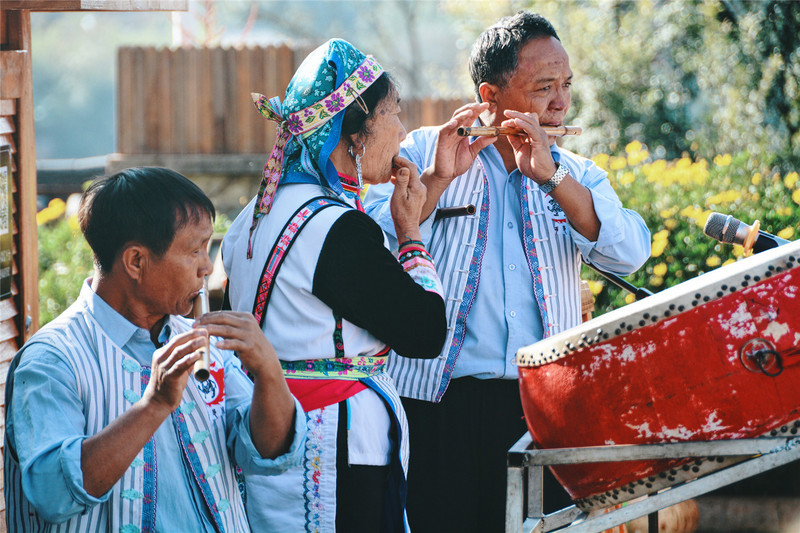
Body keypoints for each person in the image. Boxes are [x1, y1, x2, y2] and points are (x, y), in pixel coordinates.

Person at [364, 11, 652, 533]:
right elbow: (371, 241)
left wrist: (553, 177)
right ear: (490, 95)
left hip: (541, 409)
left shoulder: (576, 171)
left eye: (566, 85)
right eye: (544, 87)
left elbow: (630, 251)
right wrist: (436, 181)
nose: (561, 102)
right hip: (435, 403)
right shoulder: (423, 151)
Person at [221, 39, 448, 532]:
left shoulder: (251, 218)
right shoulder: (335, 228)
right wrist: (409, 233)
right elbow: (426, 331)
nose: (405, 131)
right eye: (395, 113)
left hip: (264, 433)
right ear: (355, 134)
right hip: (339, 445)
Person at [4, 167, 305, 532]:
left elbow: (267, 453)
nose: (207, 268)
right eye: (195, 250)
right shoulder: (53, 359)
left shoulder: (198, 337)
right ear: (136, 261)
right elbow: (53, 493)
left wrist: (268, 373)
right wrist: (154, 405)